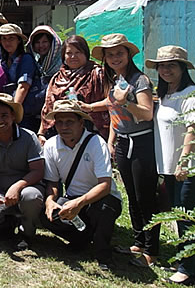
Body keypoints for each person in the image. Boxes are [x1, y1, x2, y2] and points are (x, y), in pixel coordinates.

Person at [88, 34, 158, 267]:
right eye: (110, 54)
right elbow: (111, 107)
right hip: (123, 143)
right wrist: (109, 138)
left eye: (119, 53)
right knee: (132, 195)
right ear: (105, 59)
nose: (115, 57)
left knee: (145, 197)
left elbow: (147, 113)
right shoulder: (117, 79)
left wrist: (125, 102)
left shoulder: (140, 80)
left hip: (142, 143)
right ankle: (138, 242)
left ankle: (151, 250)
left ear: (128, 54)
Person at [41, 100, 122, 271]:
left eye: (69, 122)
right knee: (45, 215)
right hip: (72, 199)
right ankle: (81, 239)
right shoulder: (50, 145)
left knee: (104, 208)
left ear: (81, 123)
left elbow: (105, 186)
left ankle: (103, 254)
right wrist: (50, 201)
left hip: (100, 198)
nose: (64, 127)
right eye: (59, 122)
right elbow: (53, 182)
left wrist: (79, 203)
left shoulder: (96, 143)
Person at [148, 46, 195, 284]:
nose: (165, 70)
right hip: (169, 167)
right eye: (162, 66)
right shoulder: (164, 95)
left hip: (188, 168)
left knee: (186, 216)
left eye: (171, 65)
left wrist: (185, 160)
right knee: (177, 212)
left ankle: (190, 270)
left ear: (183, 68)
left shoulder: (193, 94)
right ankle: (185, 259)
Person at [0, 93, 44, 250]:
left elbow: (38, 171)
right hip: (1, 192)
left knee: (31, 197)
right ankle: (6, 226)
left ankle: (27, 232)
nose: (0, 121)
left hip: (27, 188)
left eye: (4, 115)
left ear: (13, 116)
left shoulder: (29, 137)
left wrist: (18, 186)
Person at [38, 35, 109, 145]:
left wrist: (90, 108)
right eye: (69, 53)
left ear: (85, 53)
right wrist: (41, 133)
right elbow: (48, 107)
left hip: (92, 136)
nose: (73, 56)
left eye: (78, 52)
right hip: (60, 135)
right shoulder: (57, 78)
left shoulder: (98, 74)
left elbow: (113, 102)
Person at [0, 23, 44, 132]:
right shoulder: (1, 60)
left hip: (24, 113)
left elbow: (23, 87)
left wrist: (13, 112)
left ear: (19, 40)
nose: (7, 42)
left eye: (11, 38)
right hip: (7, 112)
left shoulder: (26, 59)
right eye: (4, 39)